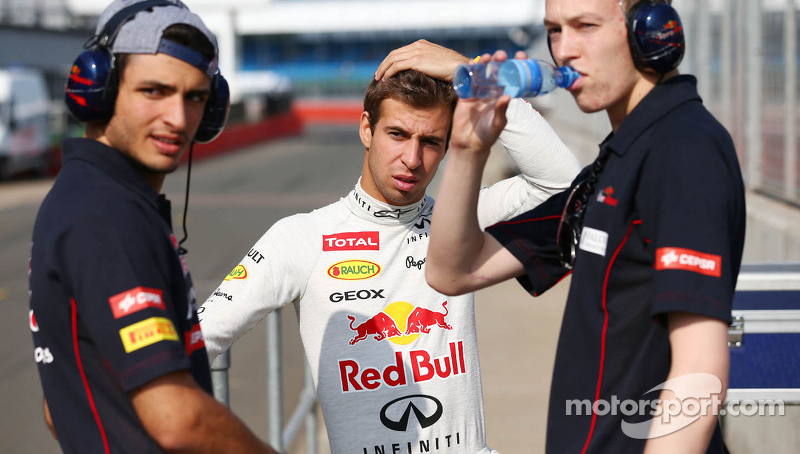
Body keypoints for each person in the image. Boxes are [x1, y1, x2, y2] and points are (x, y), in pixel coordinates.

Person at [424, 0, 746, 453]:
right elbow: (452, 270)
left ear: (649, 30)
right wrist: (467, 149)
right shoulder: (614, 162)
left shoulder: (682, 150)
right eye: (554, 29)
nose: (564, 50)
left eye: (585, 26)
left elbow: (700, 367)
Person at [198, 39, 581, 453]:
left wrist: (468, 71)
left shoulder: (465, 216)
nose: (412, 159)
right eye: (397, 134)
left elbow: (564, 184)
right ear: (367, 129)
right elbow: (195, 343)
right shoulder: (299, 239)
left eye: (431, 141)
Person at [29, 0, 278, 453]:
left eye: (196, 98)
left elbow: (57, 404)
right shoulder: (108, 215)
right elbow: (175, 418)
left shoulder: (89, 196)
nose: (178, 118)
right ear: (98, 89)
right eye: (154, 91)